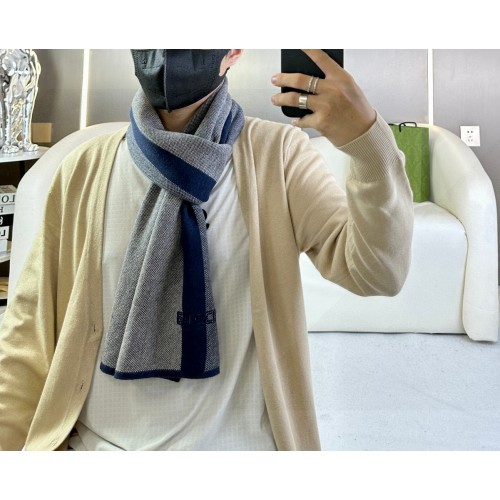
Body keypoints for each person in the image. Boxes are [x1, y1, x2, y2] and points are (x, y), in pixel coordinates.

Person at [0, 49, 413, 451]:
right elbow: (28, 335)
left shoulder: (279, 155)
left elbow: (376, 273)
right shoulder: (85, 167)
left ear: (234, 50)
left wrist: (368, 144)